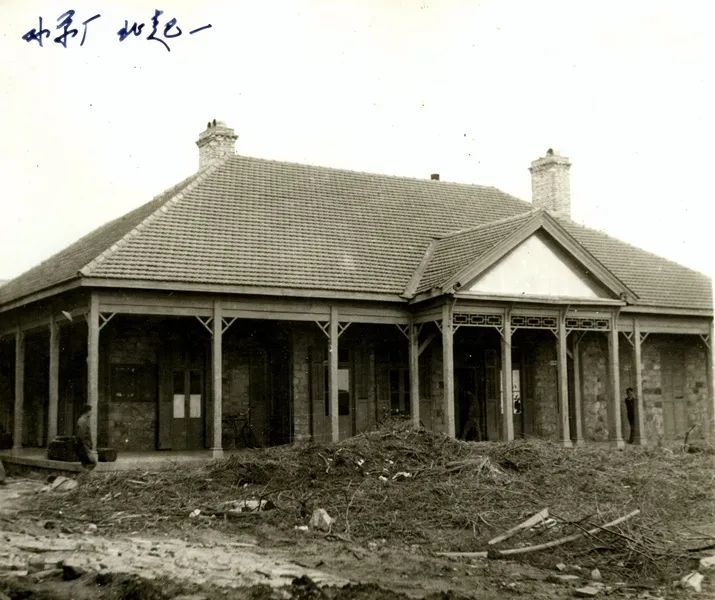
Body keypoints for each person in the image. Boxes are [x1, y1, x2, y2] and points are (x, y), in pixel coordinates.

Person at [74, 404, 97, 469]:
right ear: (88, 411)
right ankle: (85, 475)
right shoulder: (82, 421)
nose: (91, 413)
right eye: (91, 411)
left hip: (84, 446)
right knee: (92, 462)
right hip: (84, 446)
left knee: (87, 463)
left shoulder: (83, 420)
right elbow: (81, 435)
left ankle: (84, 475)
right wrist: (85, 446)